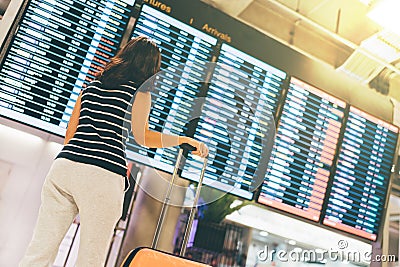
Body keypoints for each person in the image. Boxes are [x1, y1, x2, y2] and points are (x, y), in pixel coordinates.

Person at [19, 36, 208, 267]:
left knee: (39, 251)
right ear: (151, 67)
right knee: (91, 259)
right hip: (103, 175)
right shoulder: (139, 93)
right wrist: (181, 139)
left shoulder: (90, 86)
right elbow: (143, 137)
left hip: (64, 168)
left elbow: (70, 134)